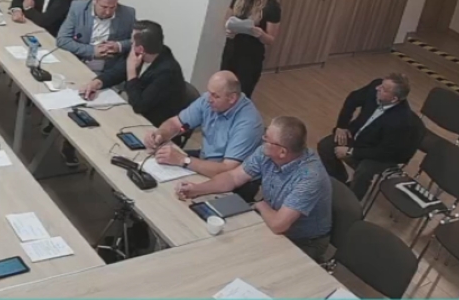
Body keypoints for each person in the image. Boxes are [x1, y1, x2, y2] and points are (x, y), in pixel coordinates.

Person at [176, 116, 332, 262]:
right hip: (271, 221)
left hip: (303, 241)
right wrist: (198, 189)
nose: (262, 140)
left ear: (282, 152)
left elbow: (279, 225)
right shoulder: (267, 152)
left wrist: (261, 205)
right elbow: (233, 177)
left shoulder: (309, 178)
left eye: (267, 138)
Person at [144, 71, 264, 202]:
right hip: (205, 159)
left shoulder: (248, 123)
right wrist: (160, 134)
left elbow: (228, 170)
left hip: (233, 183)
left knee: (177, 199)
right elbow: (176, 123)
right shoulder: (209, 100)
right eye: (209, 92)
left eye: (215, 96)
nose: (209, 99)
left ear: (232, 98)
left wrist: (183, 160)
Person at [317, 74, 419, 200]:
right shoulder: (375, 87)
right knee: (326, 146)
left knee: (364, 170)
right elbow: (352, 99)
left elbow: (384, 151)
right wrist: (341, 126)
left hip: (382, 153)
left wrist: (350, 151)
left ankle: (351, 201)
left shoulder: (401, 121)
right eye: (381, 84)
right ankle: (339, 183)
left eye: (384, 89)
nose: (377, 88)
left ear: (394, 99)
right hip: (362, 134)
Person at [81, 20, 188, 127]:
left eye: (132, 43)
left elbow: (139, 105)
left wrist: (131, 71)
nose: (130, 45)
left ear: (140, 49)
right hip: (132, 111)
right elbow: (117, 72)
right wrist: (97, 82)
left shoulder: (167, 73)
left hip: (152, 124)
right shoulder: (146, 53)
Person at [221, 0, 281, 98]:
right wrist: (228, 29)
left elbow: (271, 39)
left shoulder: (272, 6)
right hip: (231, 51)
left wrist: (260, 34)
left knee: (242, 95)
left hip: (251, 57)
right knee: (224, 90)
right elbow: (227, 20)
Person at [56, 0, 136, 74]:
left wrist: (119, 46)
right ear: (94, 0)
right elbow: (62, 40)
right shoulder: (78, 8)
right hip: (78, 64)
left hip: (107, 71)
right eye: (104, 7)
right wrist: (92, 50)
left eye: (112, 7)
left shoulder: (128, 14)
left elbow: (136, 42)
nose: (108, 12)